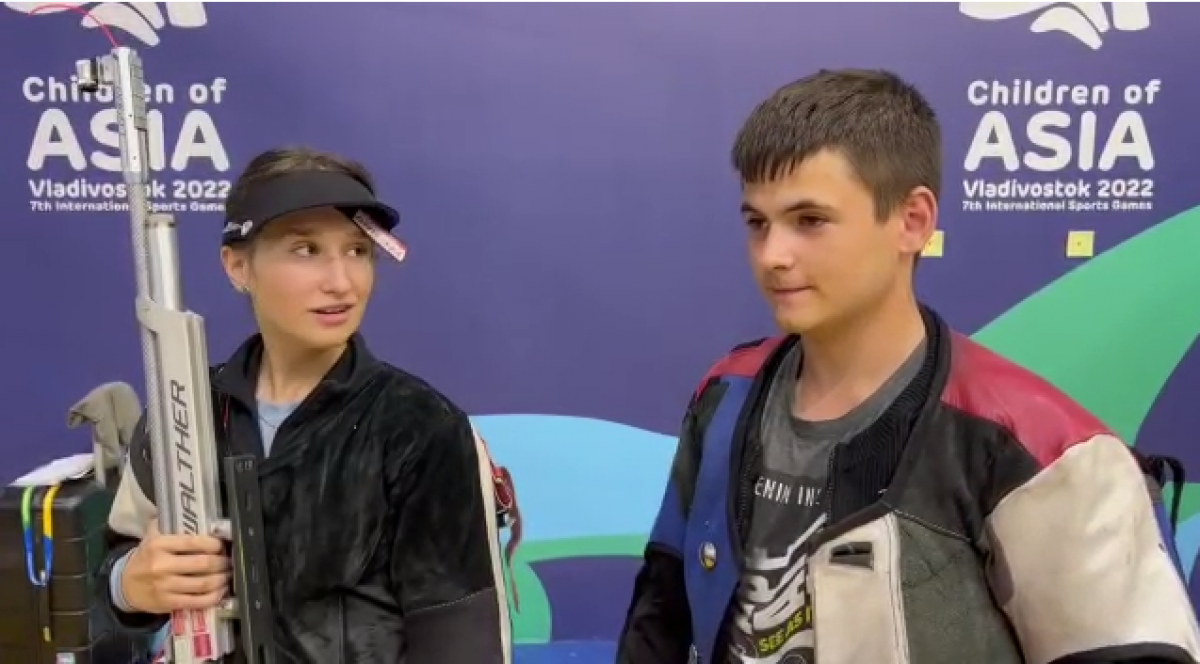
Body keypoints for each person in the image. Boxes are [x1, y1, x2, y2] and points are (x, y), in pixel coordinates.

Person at [616, 69, 1200, 664]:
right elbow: (659, 616)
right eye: (757, 223)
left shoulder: (1044, 451)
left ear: (913, 221)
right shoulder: (727, 394)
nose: (772, 255)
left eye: (809, 220)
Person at [97, 146, 517, 663]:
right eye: (305, 249)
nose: (341, 282)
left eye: (357, 250)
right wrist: (129, 585)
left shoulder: (421, 428)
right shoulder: (182, 410)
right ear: (237, 265)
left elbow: (461, 638)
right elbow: (112, 571)